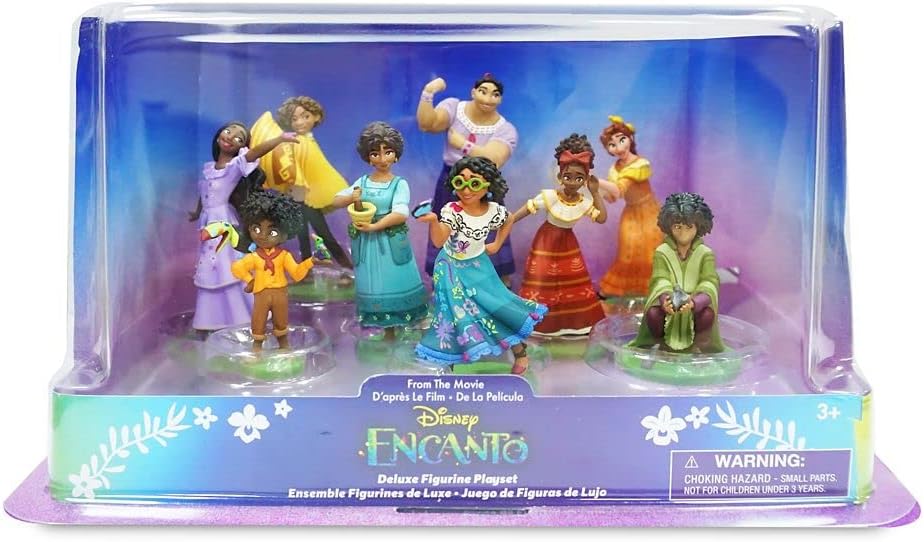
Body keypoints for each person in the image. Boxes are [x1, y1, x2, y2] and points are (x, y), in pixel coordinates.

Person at [415, 156, 547, 375]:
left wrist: (497, 244)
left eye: (474, 183)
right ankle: (449, 362)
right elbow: (439, 241)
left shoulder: (493, 210)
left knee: (495, 306)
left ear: (488, 185)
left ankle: (520, 351)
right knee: (453, 315)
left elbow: (508, 220)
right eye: (460, 182)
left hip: (479, 267)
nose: (466, 190)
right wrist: (433, 221)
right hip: (450, 269)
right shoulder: (452, 210)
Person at [189, 122, 297, 332]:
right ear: (219, 134)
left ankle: (241, 315)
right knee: (210, 270)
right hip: (207, 223)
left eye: (238, 138)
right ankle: (210, 320)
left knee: (225, 268)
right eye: (228, 131)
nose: (230, 137)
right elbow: (206, 195)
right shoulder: (210, 169)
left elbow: (255, 153)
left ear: (241, 147)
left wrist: (279, 139)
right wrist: (196, 213)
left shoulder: (233, 168)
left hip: (222, 225)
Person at [330, 122, 429, 340]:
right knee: (373, 283)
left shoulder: (399, 184)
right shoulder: (362, 182)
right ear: (368, 157)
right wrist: (351, 197)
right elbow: (336, 200)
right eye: (375, 154)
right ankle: (386, 331)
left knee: (396, 279)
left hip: (389, 242)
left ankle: (406, 326)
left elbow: (401, 212)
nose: (382, 159)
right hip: (367, 244)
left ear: (396, 155)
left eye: (388, 152)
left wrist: (376, 226)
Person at [416, 74, 518, 282]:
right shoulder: (454, 108)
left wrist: (462, 144)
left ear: (500, 99)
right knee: (446, 224)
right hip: (452, 181)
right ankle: (446, 276)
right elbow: (428, 123)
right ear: (473, 91)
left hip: (485, 185)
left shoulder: (505, 129)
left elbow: (493, 159)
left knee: (488, 224)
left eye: (495, 94)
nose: (488, 99)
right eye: (483, 91)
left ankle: (493, 277)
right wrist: (428, 93)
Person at [510, 134, 607, 336]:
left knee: (571, 279)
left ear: (585, 180)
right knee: (542, 277)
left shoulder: (583, 202)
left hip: (568, 244)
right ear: (560, 176)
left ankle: (574, 322)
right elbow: (528, 209)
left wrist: (595, 192)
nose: (572, 182)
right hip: (546, 241)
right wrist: (510, 220)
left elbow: (601, 218)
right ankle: (540, 322)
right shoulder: (550, 197)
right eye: (567, 176)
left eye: (579, 178)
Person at [250, 96, 354, 277]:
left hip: (308, 196)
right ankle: (323, 268)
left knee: (314, 233)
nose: (300, 122)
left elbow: (320, 168)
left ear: (316, 116)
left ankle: (342, 267)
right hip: (299, 195)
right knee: (309, 234)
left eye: (305, 116)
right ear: (288, 122)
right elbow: (290, 165)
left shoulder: (308, 141)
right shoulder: (295, 142)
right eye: (294, 119)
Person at [628, 192, 724, 353]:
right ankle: (662, 345)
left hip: (694, 305)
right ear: (669, 226)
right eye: (677, 227)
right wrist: (666, 300)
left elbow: (709, 282)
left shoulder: (705, 253)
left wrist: (695, 302)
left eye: (689, 227)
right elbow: (660, 279)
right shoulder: (662, 251)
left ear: (699, 226)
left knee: (707, 315)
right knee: (653, 314)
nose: (683, 233)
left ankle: (699, 346)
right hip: (670, 304)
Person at [230, 190, 316, 351]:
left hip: (280, 294)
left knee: (281, 321)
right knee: (258, 321)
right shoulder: (254, 257)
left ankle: (284, 346)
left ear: (284, 235)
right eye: (256, 229)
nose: (263, 236)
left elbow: (297, 274)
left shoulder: (284, 256)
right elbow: (237, 267)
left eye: (272, 232)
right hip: (261, 294)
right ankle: (257, 348)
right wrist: (250, 280)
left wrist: (311, 261)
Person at [597, 116, 662, 298]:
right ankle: (617, 288)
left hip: (649, 212)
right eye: (611, 144)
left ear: (630, 138)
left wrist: (595, 181)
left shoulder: (641, 165)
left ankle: (655, 289)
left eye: (621, 140)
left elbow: (619, 189)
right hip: (631, 212)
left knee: (650, 251)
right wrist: (597, 192)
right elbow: (613, 197)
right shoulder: (614, 169)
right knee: (628, 250)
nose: (618, 147)